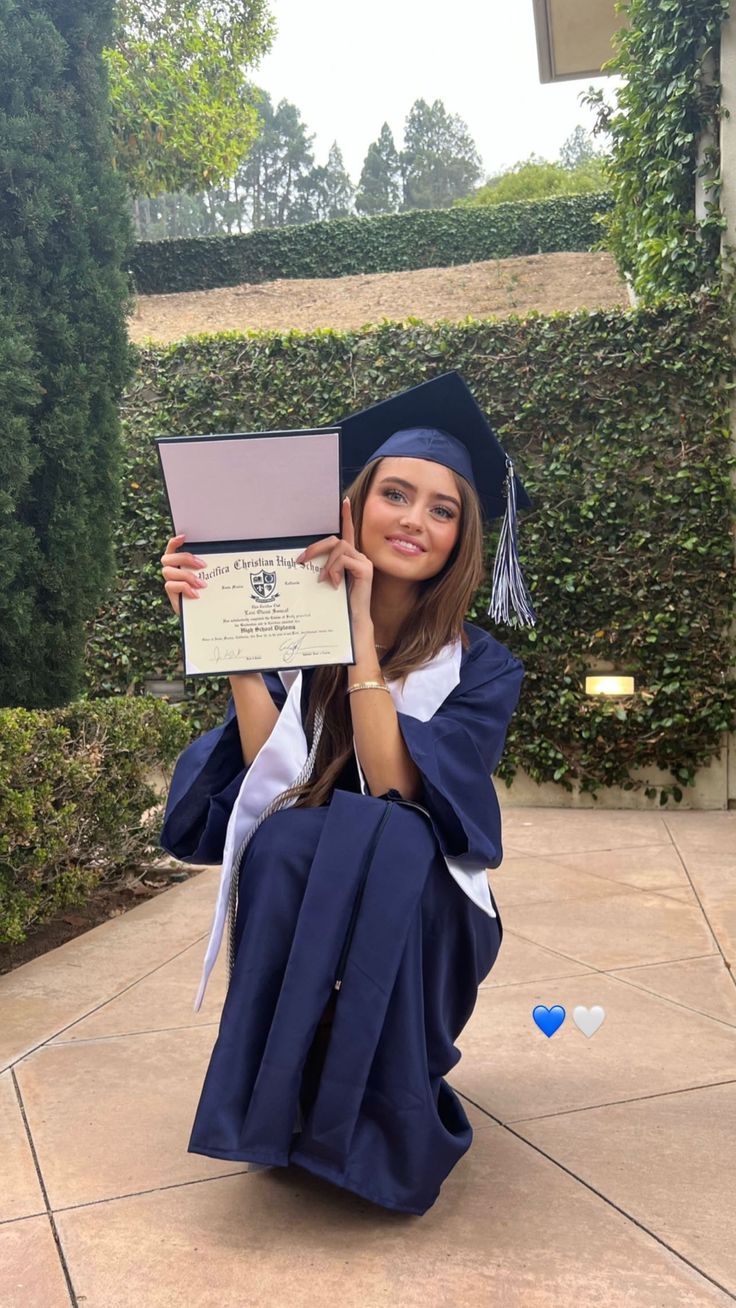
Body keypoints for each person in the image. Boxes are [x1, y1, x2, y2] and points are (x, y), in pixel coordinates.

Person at [158, 371, 535, 1216]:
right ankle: (277, 1110)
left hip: (425, 890)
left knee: (392, 836)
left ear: (462, 537)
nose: (415, 519)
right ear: (354, 508)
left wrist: (359, 629)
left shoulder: (483, 666)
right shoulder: (298, 621)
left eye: (443, 509)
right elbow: (277, 777)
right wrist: (219, 632)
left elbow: (404, 792)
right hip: (318, 861)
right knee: (288, 840)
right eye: (396, 494)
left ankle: (386, 1128)